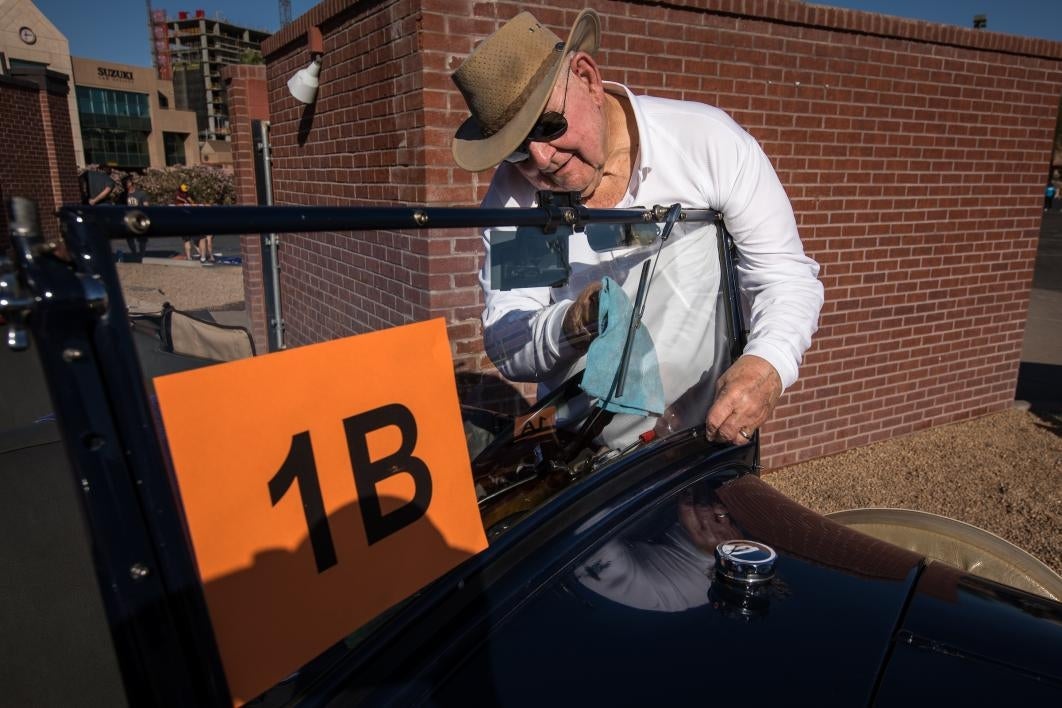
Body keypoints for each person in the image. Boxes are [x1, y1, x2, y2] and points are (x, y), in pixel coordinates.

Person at [450, 9, 823, 448]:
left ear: (587, 79)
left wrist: (768, 364)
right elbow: (510, 341)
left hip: (698, 440)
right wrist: (570, 323)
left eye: (548, 125)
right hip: (578, 451)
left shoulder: (705, 144)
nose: (542, 158)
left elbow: (784, 276)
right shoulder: (516, 197)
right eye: (516, 151)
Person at [175, 182, 215, 265]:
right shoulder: (183, 200)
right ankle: (204, 257)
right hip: (192, 221)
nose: (185, 193)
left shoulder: (180, 200)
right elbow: (193, 205)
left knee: (188, 240)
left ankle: (190, 258)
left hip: (183, 222)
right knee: (201, 239)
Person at [122, 175, 150, 259]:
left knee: (142, 240)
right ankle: (134, 253)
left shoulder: (141, 193)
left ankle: (141, 255)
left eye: (126, 183)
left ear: (131, 183)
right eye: (123, 184)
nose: (124, 185)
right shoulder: (123, 195)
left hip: (139, 218)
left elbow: (146, 206)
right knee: (129, 239)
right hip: (128, 219)